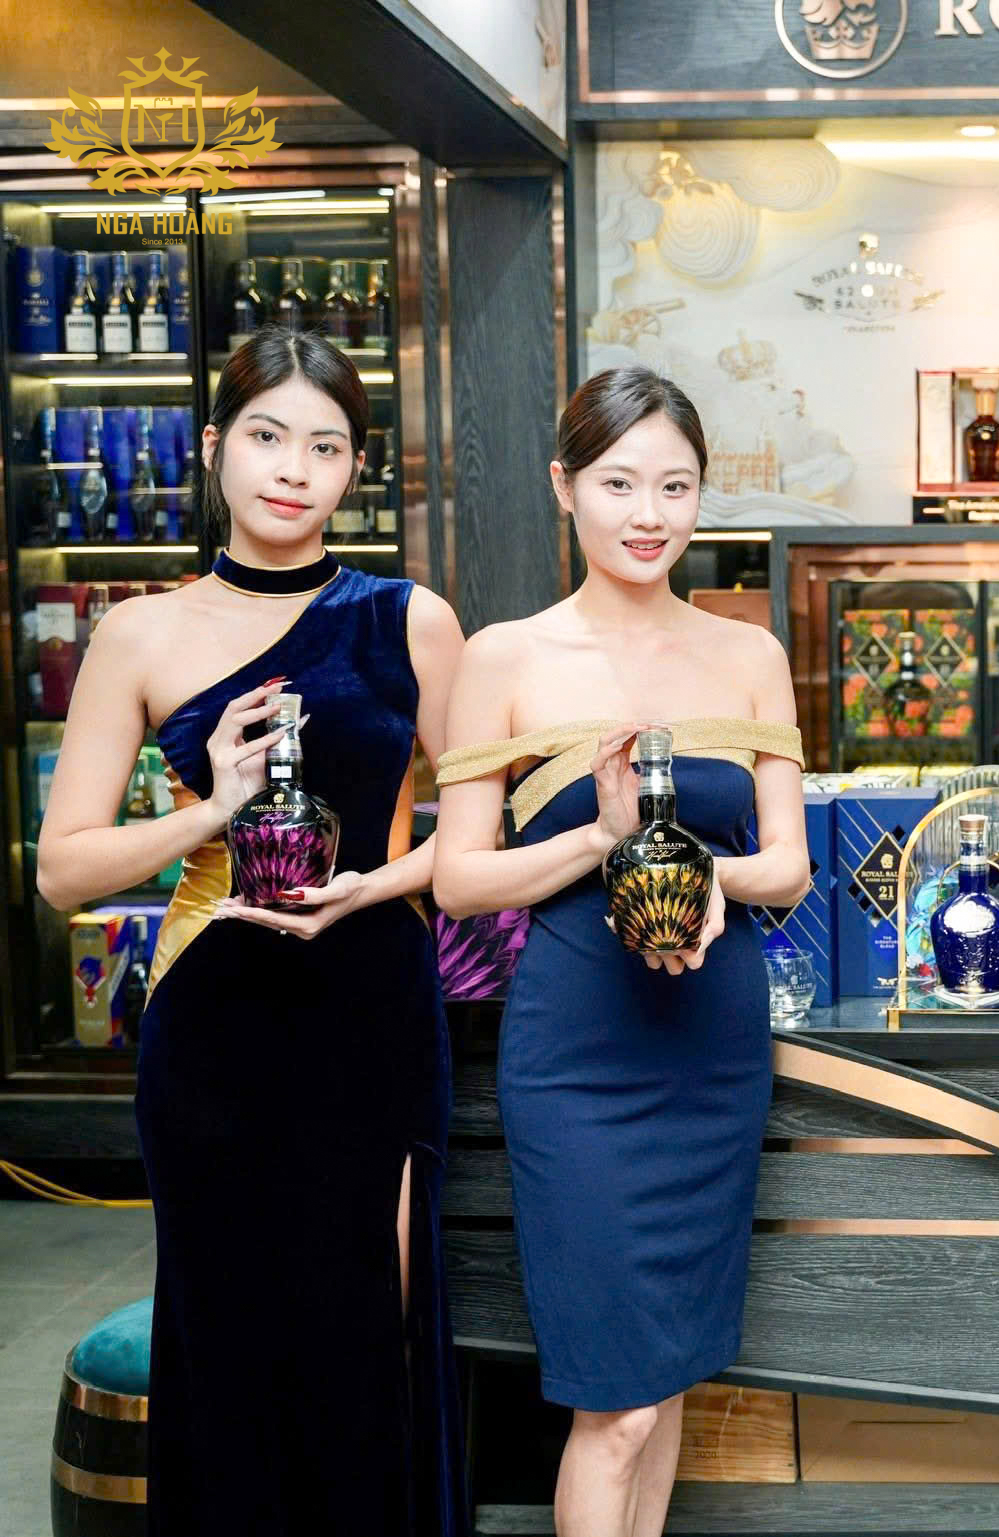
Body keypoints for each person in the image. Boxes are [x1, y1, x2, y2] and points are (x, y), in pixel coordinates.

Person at [36, 325, 467, 1536]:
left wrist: (371, 887)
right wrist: (210, 810)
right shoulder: (140, 632)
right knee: (226, 1353)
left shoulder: (410, 619)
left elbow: (484, 835)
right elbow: (64, 872)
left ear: (356, 469)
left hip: (371, 1013)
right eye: (269, 437)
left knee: (364, 1346)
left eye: (325, 446)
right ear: (217, 446)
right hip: (213, 1030)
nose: (293, 468)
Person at [432, 366, 810, 1537]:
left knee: (669, 1371)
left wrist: (700, 878)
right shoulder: (503, 657)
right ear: (564, 486)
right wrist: (599, 841)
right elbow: (458, 879)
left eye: (675, 486)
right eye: (618, 484)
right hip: (579, 1059)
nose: (648, 514)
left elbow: (787, 867)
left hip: (709, 1049)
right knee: (617, 1403)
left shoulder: (748, 652)